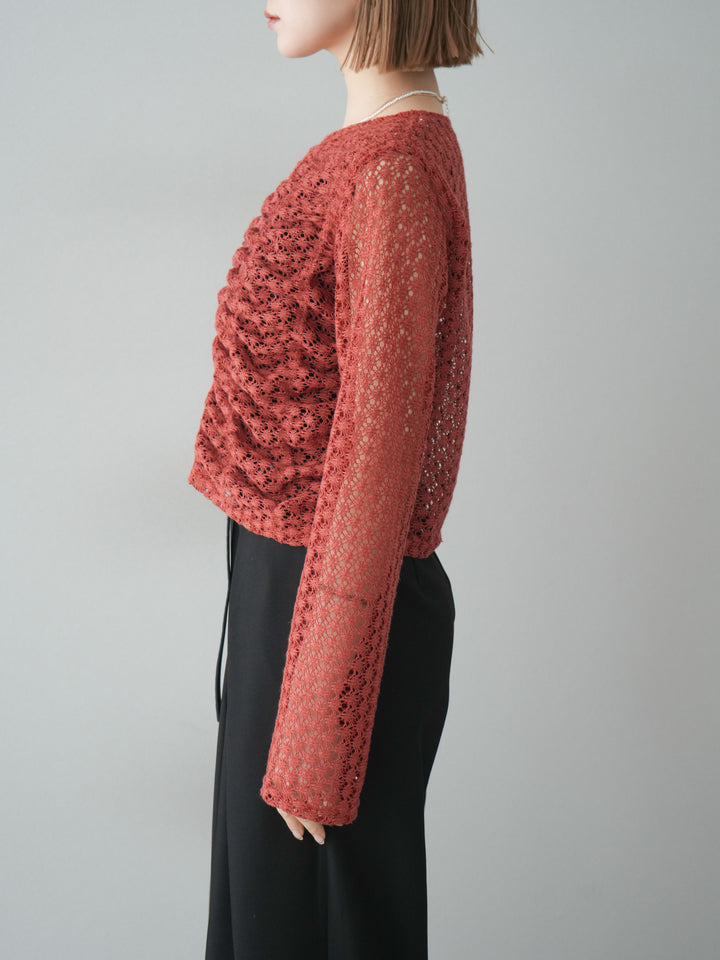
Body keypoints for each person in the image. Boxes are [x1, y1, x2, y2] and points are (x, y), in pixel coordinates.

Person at [187, 1, 488, 956]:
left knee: (309, 928)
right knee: (272, 919)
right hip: (297, 598)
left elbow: (375, 459)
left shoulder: (392, 169)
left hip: (336, 615)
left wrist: (322, 721)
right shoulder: (371, 149)